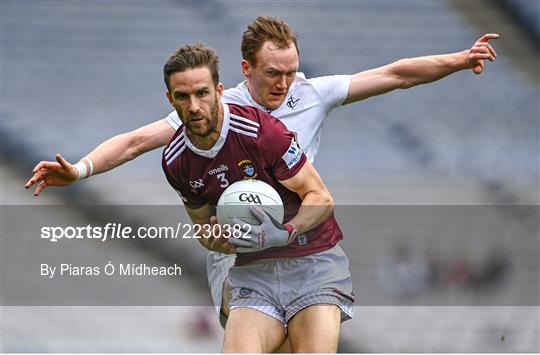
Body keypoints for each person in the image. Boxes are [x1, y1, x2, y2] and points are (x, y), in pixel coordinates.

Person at [25, 15, 499, 327]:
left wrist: (459, 60)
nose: (285, 82)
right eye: (274, 72)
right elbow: (136, 141)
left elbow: (394, 75)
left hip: (298, 233)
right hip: (236, 245)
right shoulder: (214, 105)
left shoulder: (311, 94)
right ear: (246, 68)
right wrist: (82, 169)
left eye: (292, 71)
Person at [161, 42, 353, 352]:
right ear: (170, 99)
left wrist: (285, 232)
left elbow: (320, 197)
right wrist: (216, 239)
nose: (194, 106)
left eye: (202, 93)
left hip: (311, 259)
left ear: (219, 90)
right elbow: (203, 230)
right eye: (183, 96)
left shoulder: (260, 132)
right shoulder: (176, 161)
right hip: (253, 271)